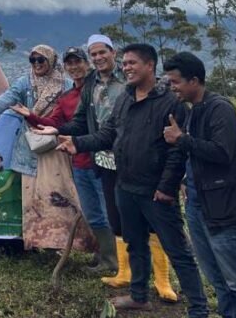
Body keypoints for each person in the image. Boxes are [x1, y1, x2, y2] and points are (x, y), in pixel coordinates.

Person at [54, 43, 208, 318]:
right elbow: (109, 133)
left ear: (150, 65)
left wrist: (166, 187)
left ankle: (199, 315)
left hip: (155, 191)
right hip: (125, 185)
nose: (126, 68)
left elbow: (177, 152)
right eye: (124, 63)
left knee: (178, 250)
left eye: (132, 63)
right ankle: (139, 295)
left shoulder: (169, 102)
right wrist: (79, 144)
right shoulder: (125, 98)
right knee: (134, 242)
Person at [49, 34, 176, 299]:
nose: (98, 58)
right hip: (105, 159)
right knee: (117, 219)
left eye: (101, 53)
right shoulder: (91, 83)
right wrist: (57, 129)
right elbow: (83, 120)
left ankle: (162, 280)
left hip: (136, 160)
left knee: (150, 220)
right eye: (93, 54)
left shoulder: (130, 79)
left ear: (112, 52)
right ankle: (125, 272)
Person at [0, 45, 94, 253]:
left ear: (52, 61)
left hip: (56, 148)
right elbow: (8, 97)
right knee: (32, 198)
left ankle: (64, 243)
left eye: (41, 60)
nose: (36, 64)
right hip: (29, 148)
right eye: (33, 60)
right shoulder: (25, 82)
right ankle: (37, 241)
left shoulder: (66, 85)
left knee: (60, 195)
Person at [163, 52, 236, 318]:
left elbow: (222, 153)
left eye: (175, 82)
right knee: (215, 273)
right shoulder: (191, 109)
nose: (172, 87)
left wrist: (182, 139)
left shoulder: (218, 109)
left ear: (194, 81)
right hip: (198, 201)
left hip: (225, 204)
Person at [11, 47, 116, 273]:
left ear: (87, 64)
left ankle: (120, 261)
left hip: (103, 160)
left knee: (111, 211)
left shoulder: (99, 90)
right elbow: (54, 123)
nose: (74, 67)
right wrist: (30, 116)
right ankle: (106, 259)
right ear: (65, 67)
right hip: (79, 162)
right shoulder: (67, 97)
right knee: (93, 213)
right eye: (70, 64)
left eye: (78, 62)